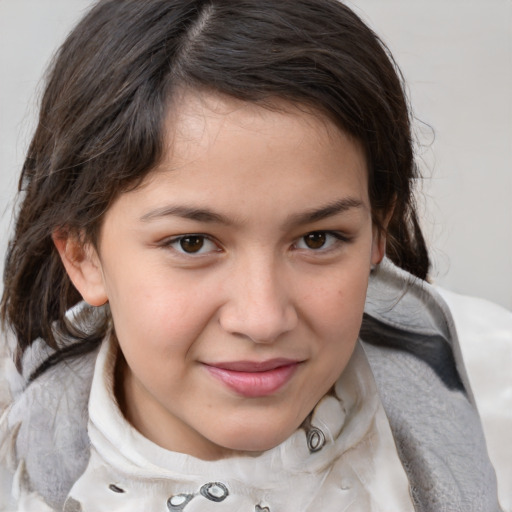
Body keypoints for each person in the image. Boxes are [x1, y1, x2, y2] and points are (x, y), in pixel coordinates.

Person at [0, 0, 507, 510]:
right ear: (84, 255)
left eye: (317, 239)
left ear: (379, 229)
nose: (263, 320)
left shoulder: (497, 403)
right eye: (192, 243)